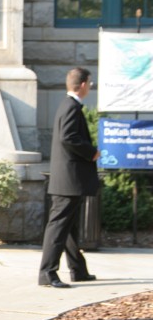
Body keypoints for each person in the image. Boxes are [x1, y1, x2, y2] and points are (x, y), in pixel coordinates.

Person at [38, 67, 99, 289]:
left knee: (69, 227)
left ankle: (78, 270)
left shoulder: (69, 105)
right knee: (58, 227)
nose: (90, 87)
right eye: (89, 83)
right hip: (68, 181)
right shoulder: (71, 106)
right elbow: (68, 137)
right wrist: (91, 152)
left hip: (68, 180)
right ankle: (47, 273)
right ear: (82, 84)